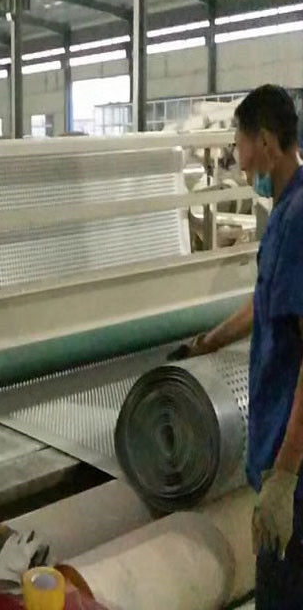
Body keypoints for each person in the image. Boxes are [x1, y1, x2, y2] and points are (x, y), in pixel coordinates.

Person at [171, 84, 303, 608]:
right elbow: (266, 303)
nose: (241, 163)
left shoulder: (298, 220)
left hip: (293, 468)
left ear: (266, 142)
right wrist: (207, 343)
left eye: (241, 147)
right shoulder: (288, 211)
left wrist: (284, 475)